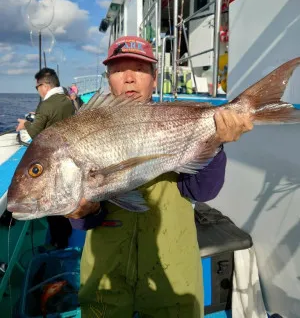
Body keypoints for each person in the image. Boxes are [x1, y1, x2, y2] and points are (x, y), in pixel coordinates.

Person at [67, 36, 254, 317]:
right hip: (107, 273)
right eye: (119, 70)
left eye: (140, 70)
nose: (129, 78)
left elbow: (203, 191)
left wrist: (214, 144)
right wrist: (81, 211)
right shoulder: (86, 127)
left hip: (171, 270)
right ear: (109, 80)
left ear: (154, 79)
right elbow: (84, 221)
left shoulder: (175, 121)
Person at [16, 68, 74, 249]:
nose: (38, 91)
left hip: (51, 160)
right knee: (64, 196)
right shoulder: (67, 101)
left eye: (37, 87)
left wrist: (25, 123)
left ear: (45, 85)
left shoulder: (46, 105)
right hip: (68, 155)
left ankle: (58, 242)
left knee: (52, 203)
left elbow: (37, 133)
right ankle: (66, 234)